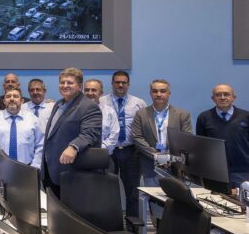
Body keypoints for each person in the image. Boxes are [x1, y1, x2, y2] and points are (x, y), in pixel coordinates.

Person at [41, 68, 101, 198]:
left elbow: (90, 133)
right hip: (51, 169)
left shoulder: (89, 106)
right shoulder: (58, 104)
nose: (65, 85)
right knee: (55, 213)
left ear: (79, 86)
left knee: (71, 215)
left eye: (70, 82)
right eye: (62, 82)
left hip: (72, 172)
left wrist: (74, 147)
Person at [98, 70, 147, 219]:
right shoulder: (101, 101)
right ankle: (111, 225)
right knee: (107, 191)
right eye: (117, 82)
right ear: (112, 84)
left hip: (131, 151)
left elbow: (144, 127)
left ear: (128, 84)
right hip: (108, 151)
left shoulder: (139, 103)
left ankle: (134, 231)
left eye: (123, 82)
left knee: (132, 192)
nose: (120, 85)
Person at [131, 79, 193, 187]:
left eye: (162, 91)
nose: (158, 94)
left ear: (169, 93)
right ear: (151, 94)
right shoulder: (141, 114)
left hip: (176, 165)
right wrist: (158, 156)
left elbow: (186, 138)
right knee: (153, 201)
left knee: (177, 200)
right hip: (150, 166)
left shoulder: (182, 114)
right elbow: (137, 137)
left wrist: (169, 157)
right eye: (155, 91)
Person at [196, 84, 249, 188]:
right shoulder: (204, 118)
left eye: (226, 94)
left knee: (243, 202)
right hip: (214, 172)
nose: (223, 97)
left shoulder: (246, 116)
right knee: (214, 202)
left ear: (234, 97)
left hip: (243, 171)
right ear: (213, 98)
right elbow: (201, 147)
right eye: (218, 95)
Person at [0, 88, 44, 168]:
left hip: (28, 169)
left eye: (15, 96)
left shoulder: (33, 120)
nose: (12, 99)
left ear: (22, 101)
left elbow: (40, 145)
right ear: (4, 101)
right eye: (8, 96)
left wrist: (35, 166)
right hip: (0, 169)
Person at [83, 79, 120, 155]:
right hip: (80, 154)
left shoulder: (109, 111)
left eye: (94, 90)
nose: (90, 93)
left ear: (101, 93)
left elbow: (114, 135)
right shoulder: (76, 111)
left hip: (103, 155)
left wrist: (99, 149)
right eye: (87, 90)